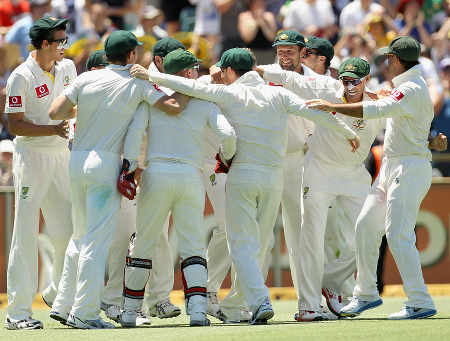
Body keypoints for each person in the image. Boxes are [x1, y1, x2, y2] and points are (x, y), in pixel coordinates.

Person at [136, 47, 359, 324]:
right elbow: (316, 111)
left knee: (241, 244)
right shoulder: (277, 92)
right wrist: (348, 132)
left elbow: (186, 85)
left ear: (230, 71)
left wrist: (150, 75)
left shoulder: (230, 93)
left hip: (242, 174)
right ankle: (236, 305)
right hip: (273, 177)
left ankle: (258, 300)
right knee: (259, 245)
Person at [47, 30, 186, 329]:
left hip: (77, 160)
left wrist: (91, 109)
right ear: (132, 56)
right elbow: (173, 107)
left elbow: (54, 111)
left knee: (81, 237)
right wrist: (185, 85)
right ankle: (84, 312)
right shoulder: (137, 83)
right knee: (96, 243)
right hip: (105, 162)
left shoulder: (86, 78)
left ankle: (63, 303)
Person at [307, 36, 438, 319]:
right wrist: (433, 140)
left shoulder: (412, 88)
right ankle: (366, 293)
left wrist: (332, 107)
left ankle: (420, 300)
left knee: (398, 234)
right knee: (366, 225)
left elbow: (377, 110)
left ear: (396, 60)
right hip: (392, 166)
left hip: (409, 167)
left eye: (388, 58)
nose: (385, 63)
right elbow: (412, 125)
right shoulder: (403, 88)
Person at [121, 49, 237, 327]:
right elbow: (229, 135)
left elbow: (135, 135)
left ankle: (129, 312)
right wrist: (227, 157)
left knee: (144, 245)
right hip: (190, 175)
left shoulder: (152, 99)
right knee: (192, 245)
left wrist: (127, 168)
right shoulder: (205, 101)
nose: (197, 73)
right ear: (187, 73)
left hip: (156, 172)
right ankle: (197, 311)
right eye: (194, 69)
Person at [4, 15, 76, 330]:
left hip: (62, 156)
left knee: (70, 231)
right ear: (45, 44)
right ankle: (17, 312)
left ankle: (55, 293)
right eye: (60, 41)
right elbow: (14, 124)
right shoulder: (21, 76)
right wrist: (52, 129)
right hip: (31, 158)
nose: (65, 46)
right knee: (25, 234)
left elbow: (72, 108)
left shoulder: (69, 68)